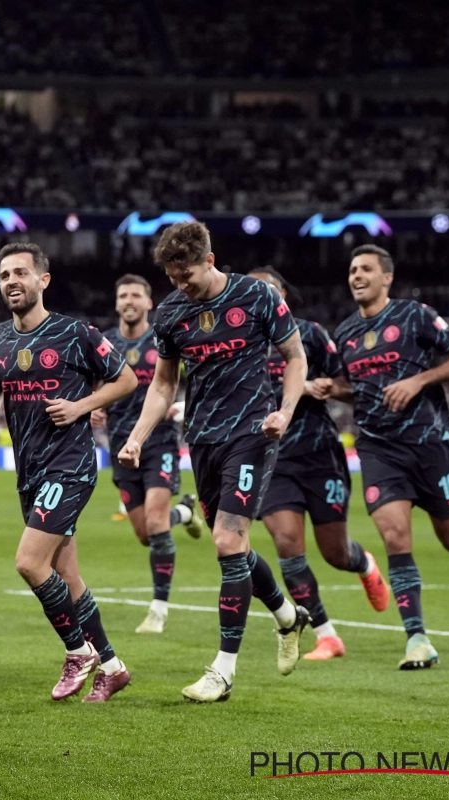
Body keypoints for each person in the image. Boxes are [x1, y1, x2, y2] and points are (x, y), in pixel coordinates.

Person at [118, 221, 310, 703]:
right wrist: (138, 437)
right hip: (201, 440)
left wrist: (284, 411)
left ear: (209, 259)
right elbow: (163, 385)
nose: (180, 285)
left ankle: (222, 673)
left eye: (186, 275)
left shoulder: (257, 296)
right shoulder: (171, 313)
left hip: (252, 433)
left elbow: (295, 356)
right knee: (236, 550)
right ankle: (289, 618)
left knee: (227, 540)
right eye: (172, 277)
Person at [0, 242, 139, 703]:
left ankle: (77, 652)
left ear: (43, 279)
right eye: (4, 276)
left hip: (71, 463)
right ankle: (114, 667)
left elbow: (126, 379)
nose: (11, 282)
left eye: (20, 273)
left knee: (29, 562)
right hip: (30, 471)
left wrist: (81, 405)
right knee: (69, 578)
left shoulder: (75, 333)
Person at [332, 244, 449, 670]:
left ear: (386, 277)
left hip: (428, 445)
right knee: (395, 536)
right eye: (353, 269)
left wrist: (418, 381)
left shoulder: (416, 315)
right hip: (377, 448)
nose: (357, 275)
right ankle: (417, 639)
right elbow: (354, 386)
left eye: (366, 269)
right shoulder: (345, 333)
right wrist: (331, 389)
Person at [246, 267, 390, 661]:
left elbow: (349, 385)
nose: (261, 296)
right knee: (288, 545)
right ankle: (327, 636)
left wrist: (330, 388)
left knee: (334, 553)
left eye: (268, 289)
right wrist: (296, 388)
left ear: (282, 297)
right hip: (271, 459)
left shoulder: (308, 334)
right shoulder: (239, 342)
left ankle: (362, 563)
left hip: (319, 454)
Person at [93, 274, 207, 635]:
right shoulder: (105, 342)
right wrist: (94, 406)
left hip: (159, 441)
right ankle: (186, 511)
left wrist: (184, 403)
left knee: (156, 524)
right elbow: (93, 382)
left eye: (136, 295)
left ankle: (158, 610)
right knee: (146, 534)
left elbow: (203, 374)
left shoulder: (164, 338)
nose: (128, 300)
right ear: (117, 303)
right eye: (123, 294)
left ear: (148, 303)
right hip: (120, 447)